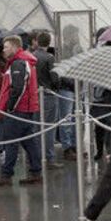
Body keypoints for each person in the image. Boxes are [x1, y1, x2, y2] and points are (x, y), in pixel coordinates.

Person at [0, 35, 43, 186]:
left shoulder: (18, 63)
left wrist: (9, 107)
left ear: (14, 47)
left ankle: (6, 175)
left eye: (6, 47)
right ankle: (36, 171)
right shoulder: (24, 61)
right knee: (29, 141)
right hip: (26, 108)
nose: (4, 50)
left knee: (11, 142)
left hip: (18, 110)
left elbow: (18, 88)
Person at [30, 32, 63, 169]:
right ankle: (49, 158)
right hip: (48, 94)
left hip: (34, 94)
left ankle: (36, 157)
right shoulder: (49, 57)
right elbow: (55, 78)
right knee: (48, 127)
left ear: (37, 41)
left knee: (36, 127)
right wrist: (56, 87)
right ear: (49, 43)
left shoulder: (31, 56)